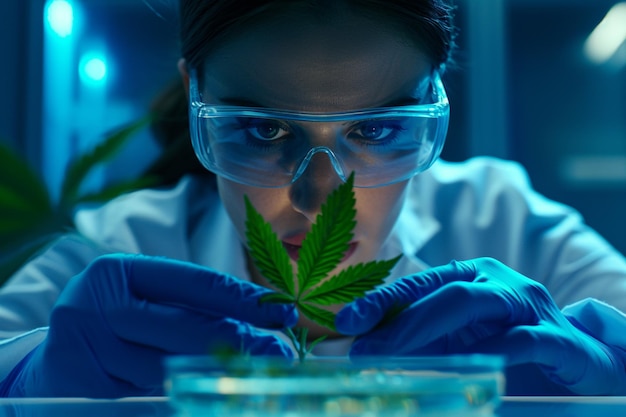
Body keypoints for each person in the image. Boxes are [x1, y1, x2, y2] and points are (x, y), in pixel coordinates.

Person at [1, 0, 626, 398]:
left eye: (375, 130)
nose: (320, 200)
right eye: (264, 129)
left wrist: (614, 371)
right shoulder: (118, 246)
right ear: (197, 96)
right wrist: (31, 381)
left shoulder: (503, 222)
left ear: (432, 103)